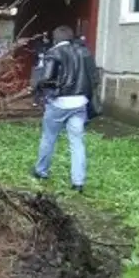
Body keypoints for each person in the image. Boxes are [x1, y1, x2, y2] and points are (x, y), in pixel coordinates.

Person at [31, 25, 97, 194]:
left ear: (56, 39)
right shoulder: (85, 52)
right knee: (77, 142)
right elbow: (94, 78)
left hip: (59, 103)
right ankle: (78, 181)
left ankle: (41, 171)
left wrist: (37, 88)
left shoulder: (54, 53)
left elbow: (47, 79)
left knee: (49, 137)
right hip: (79, 103)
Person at [29, 32, 52, 106]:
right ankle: (36, 100)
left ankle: (45, 100)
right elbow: (34, 53)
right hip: (38, 67)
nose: (45, 39)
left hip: (46, 68)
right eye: (44, 37)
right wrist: (39, 54)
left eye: (46, 37)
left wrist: (45, 55)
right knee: (36, 84)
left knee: (45, 84)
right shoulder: (38, 45)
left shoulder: (51, 46)